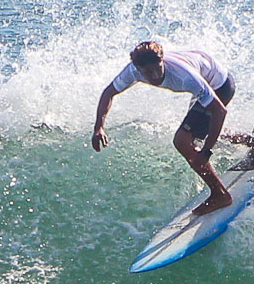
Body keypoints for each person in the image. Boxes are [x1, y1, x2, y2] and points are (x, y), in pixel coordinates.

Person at [91, 40, 235, 215]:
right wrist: (99, 127)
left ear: (162, 60)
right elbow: (108, 93)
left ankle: (220, 195)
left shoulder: (185, 76)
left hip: (220, 85)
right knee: (198, 131)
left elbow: (219, 111)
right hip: (206, 78)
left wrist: (206, 152)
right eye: (147, 72)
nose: (154, 76)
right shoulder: (132, 71)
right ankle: (252, 141)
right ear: (137, 69)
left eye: (157, 69)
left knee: (182, 140)